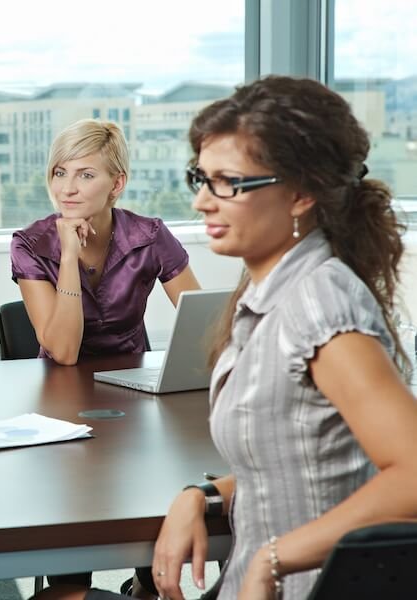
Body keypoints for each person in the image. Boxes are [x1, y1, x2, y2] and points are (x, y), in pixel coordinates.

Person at [149, 76, 417, 600]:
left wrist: (275, 557)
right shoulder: (271, 291)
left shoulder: (319, 303)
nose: (203, 201)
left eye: (229, 182)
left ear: (300, 194)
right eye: (200, 179)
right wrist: (202, 494)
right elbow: (299, 456)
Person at [11, 119, 200, 366]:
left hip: (133, 385)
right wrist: (69, 256)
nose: (67, 189)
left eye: (85, 175)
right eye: (60, 173)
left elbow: (203, 326)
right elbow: (64, 353)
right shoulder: (30, 244)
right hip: (60, 389)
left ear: (117, 184)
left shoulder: (150, 236)